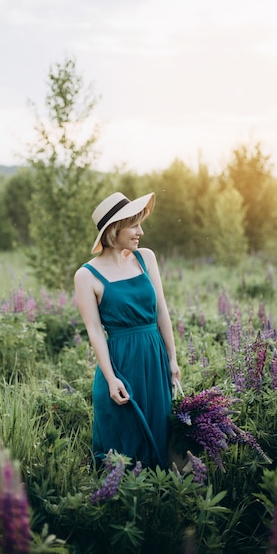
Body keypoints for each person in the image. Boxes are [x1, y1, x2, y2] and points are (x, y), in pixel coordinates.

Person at [74, 191, 181, 470]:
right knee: (123, 450)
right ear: (114, 230)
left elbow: (161, 312)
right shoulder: (86, 275)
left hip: (154, 360)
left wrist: (172, 359)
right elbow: (95, 332)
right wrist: (110, 378)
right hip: (120, 365)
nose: (140, 232)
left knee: (161, 440)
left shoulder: (146, 258)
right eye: (134, 225)